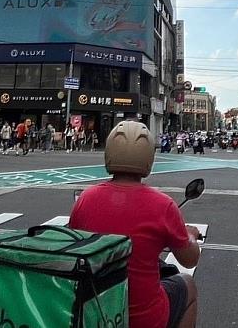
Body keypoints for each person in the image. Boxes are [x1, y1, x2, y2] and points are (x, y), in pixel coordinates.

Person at [69, 121, 201, 328]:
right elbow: (190, 259)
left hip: (96, 312)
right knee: (188, 285)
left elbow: (75, 243)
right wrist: (190, 235)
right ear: (148, 158)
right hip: (145, 317)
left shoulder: (86, 198)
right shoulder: (162, 205)